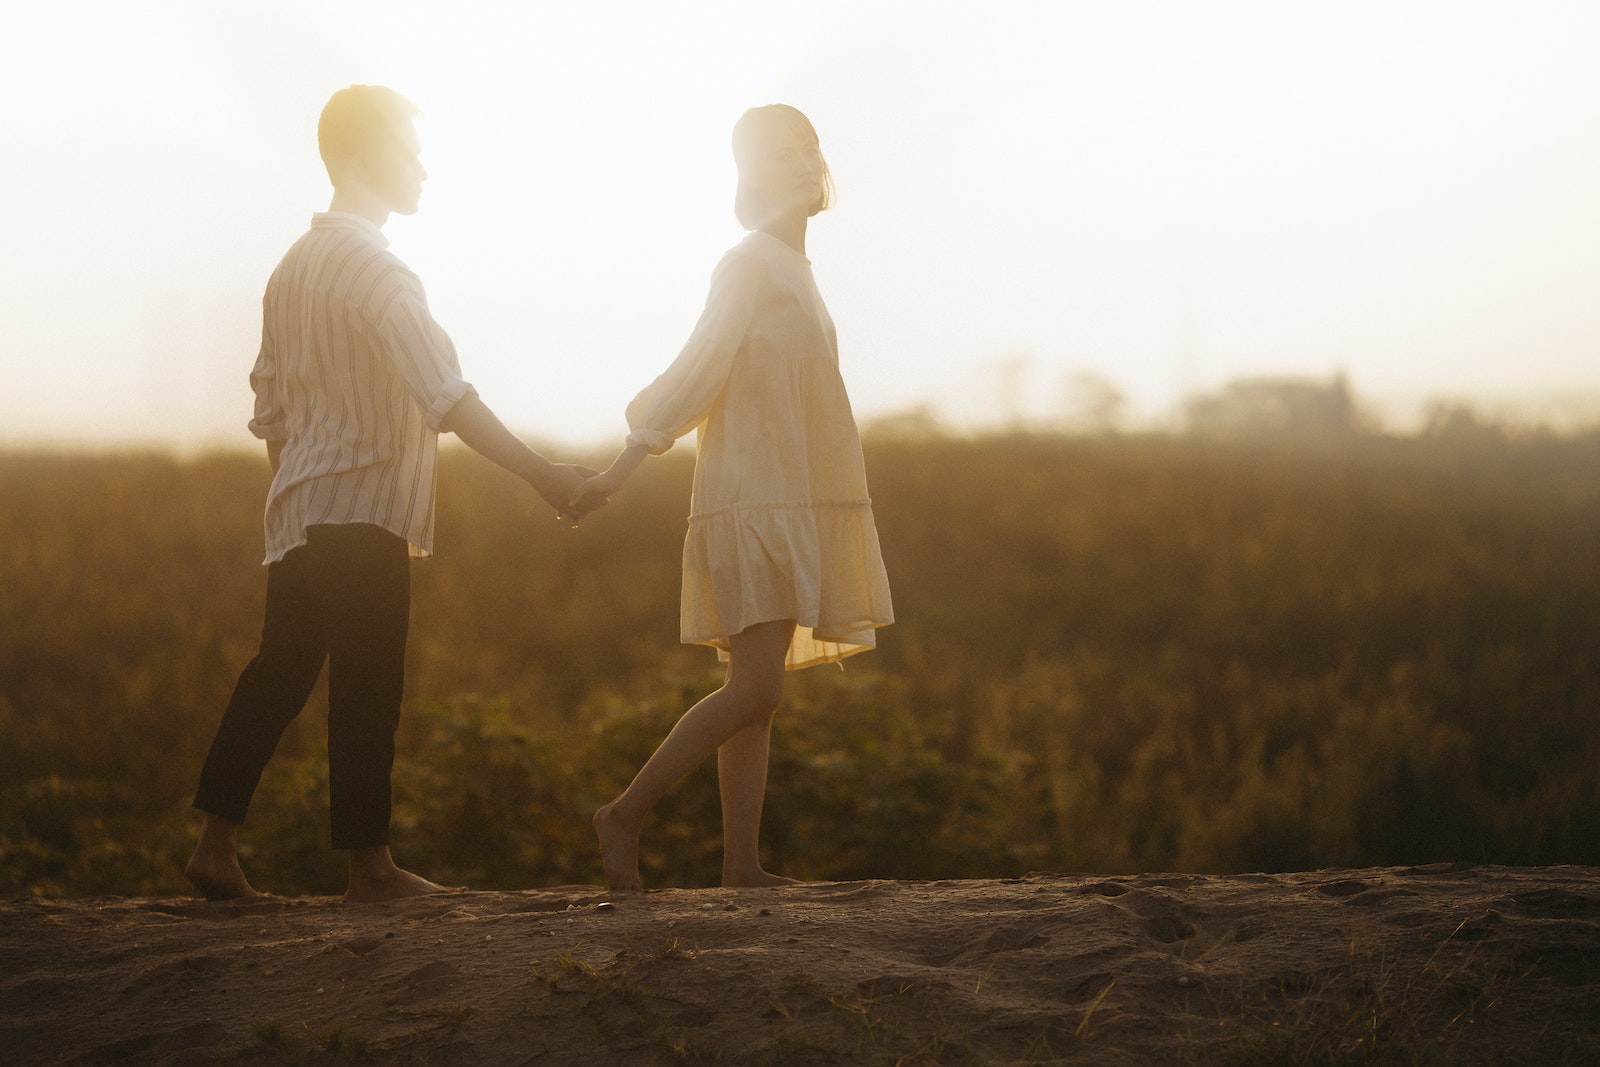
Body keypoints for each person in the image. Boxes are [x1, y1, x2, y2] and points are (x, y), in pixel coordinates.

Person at [185, 85, 597, 903]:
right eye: (411, 150)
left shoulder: (292, 268)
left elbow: (269, 407)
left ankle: (214, 844)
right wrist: (546, 474)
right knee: (368, 687)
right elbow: (446, 396)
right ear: (369, 157)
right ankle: (370, 868)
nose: (422, 167)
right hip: (363, 511)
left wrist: (300, 492)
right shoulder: (378, 269)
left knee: (278, 675)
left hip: (299, 510)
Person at [577, 104, 894, 892]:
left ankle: (740, 863)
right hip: (752, 498)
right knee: (758, 685)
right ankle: (623, 814)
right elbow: (699, 366)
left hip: (793, 497)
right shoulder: (750, 261)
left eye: (804, 147)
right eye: (773, 154)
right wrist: (623, 465)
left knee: (756, 694)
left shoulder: (798, 271)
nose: (795, 162)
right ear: (752, 176)